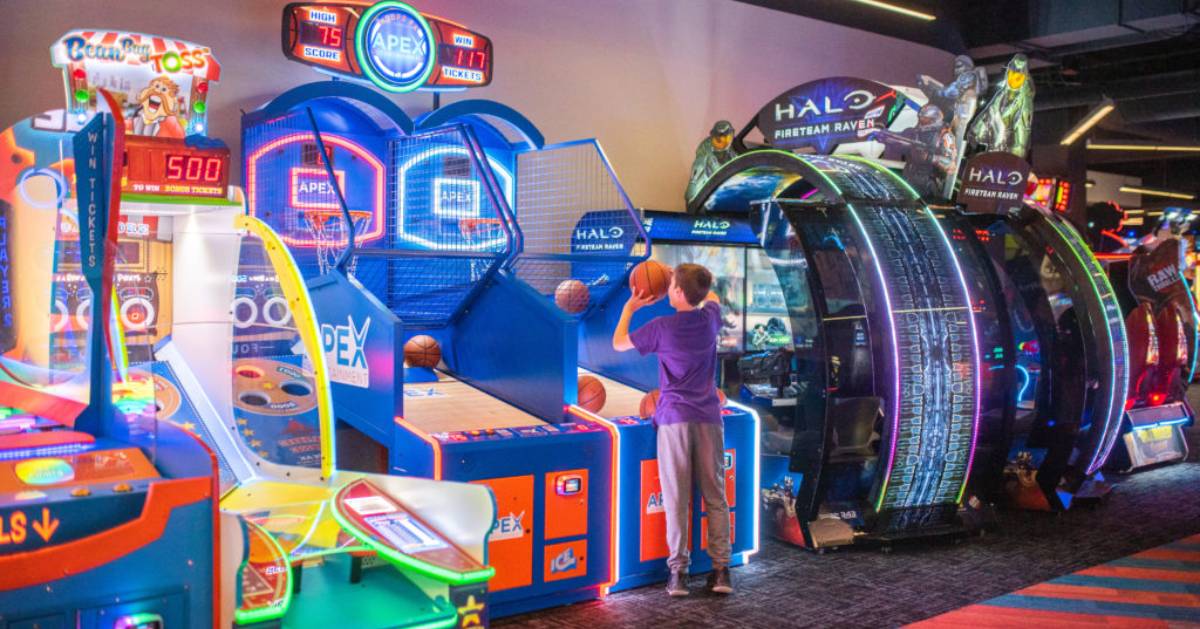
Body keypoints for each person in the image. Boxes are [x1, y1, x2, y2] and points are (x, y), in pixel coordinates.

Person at [611, 263, 733, 597]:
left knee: (677, 499)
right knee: (716, 497)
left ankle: (678, 575)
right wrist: (683, 276)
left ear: (677, 292)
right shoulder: (709, 319)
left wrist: (629, 308)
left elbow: (618, 343)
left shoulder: (662, 327)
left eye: (672, 284)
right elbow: (713, 295)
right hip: (709, 417)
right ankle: (721, 572)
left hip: (675, 418)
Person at [685, 120, 738, 205]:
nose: (721, 140)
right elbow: (690, 193)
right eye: (719, 137)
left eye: (726, 136)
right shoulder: (705, 151)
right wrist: (693, 183)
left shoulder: (731, 153)